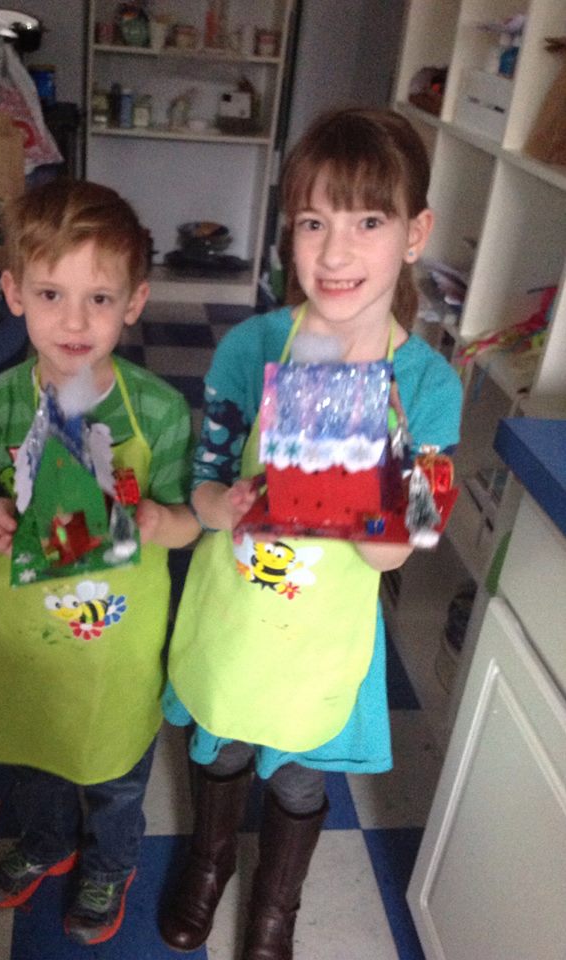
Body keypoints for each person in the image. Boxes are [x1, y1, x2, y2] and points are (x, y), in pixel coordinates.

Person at [159, 108, 463, 960]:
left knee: (296, 775)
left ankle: (275, 906)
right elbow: (201, 487)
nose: (335, 252)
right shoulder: (252, 346)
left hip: (322, 640)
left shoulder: (429, 387)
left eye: (367, 221)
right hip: (235, 614)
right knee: (220, 745)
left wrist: (355, 471)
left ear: (414, 234)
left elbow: (406, 543)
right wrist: (226, 503)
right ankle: (209, 861)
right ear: (287, 233)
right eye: (312, 222)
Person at [0, 179, 199, 947]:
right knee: (37, 759)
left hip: (115, 646)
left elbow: (190, 521)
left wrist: (161, 520)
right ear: (13, 293)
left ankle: (110, 863)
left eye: (99, 298)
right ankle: (48, 840)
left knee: (115, 776)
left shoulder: (157, 412)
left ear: (134, 302)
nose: (74, 320)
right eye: (51, 293)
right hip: (25, 636)